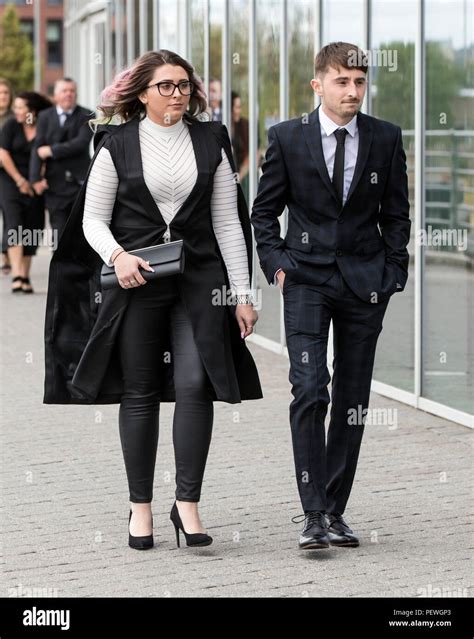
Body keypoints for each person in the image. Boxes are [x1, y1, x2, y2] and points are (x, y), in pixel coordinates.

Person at [43, 49, 262, 550]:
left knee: (194, 384)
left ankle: (187, 505)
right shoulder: (116, 144)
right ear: (142, 93)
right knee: (139, 391)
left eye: (184, 85)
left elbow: (229, 221)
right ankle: (139, 507)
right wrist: (118, 257)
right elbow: (92, 220)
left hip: (199, 283)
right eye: (166, 85)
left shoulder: (212, 141)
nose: (178, 94)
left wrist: (243, 294)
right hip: (135, 283)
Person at [251, 42, 411, 550]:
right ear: (318, 85)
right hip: (306, 280)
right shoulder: (287, 138)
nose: (353, 92)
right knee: (310, 389)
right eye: (342, 82)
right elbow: (263, 213)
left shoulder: (385, 138)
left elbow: (397, 214)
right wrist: (278, 267)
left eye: (360, 82)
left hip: (365, 284)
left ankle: (335, 511)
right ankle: (312, 512)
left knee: (352, 399)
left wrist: (393, 273)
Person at [29, 77, 93, 248]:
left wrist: (52, 150)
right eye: (64, 91)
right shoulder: (44, 116)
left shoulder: (87, 115)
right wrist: (35, 179)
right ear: (55, 95)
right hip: (54, 185)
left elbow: (81, 143)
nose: (68, 94)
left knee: (81, 233)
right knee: (58, 234)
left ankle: (81, 272)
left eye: (72, 91)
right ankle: (60, 272)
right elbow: (38, 148)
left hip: (79, 185)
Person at [0, 91, 51, 293]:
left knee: (33, 226)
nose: (17, 111)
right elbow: (3, 154)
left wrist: (40, 180)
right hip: (10, 180)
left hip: (36, 183)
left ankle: (26, 276)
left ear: (32, 110)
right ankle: (17, 276)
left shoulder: (44, 127)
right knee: (14, 224)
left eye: (21, 107)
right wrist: (20, 181)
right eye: (16, 107)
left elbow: (48, 156)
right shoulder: (12, 125)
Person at [0, 77, 14, 274]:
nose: (2, 97)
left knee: (9, 215)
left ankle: (6, 253)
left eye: (5, 93)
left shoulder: (14, 118)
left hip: (8, 173)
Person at [230, 91, 249, 202]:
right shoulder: (222, 125)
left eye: (239, 107)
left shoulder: (244, 125)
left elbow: (253, 155)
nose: (239, 111)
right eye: (236, 107)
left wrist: (239, 177)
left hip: (244, 178)